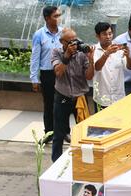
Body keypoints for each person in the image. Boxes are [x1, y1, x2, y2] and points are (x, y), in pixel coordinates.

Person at [51, 28, 94, 162]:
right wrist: (67, 56)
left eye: (76, 40)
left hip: (80, 97)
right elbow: (58, 73)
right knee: (59, 133)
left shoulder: (81, 54)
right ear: (62, 42)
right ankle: (56, 163)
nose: (74, 44)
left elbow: (89, 76)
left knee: (84, 132)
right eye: (70, 42)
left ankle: (84, 161)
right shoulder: (56, 52)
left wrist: (91, 60)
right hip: (62, 96)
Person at [30, 6, 63, 144]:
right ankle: (48, 133)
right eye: (55, 16)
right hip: (47, 74)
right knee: (49, 104)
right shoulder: (39, 34)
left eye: (59, 15)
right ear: (47, 18)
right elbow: (35, 57)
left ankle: (62, 133)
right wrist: (34, 79)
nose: (58, 18)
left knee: (63, 104)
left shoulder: (63, 32)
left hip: (62, 73)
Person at [93, 22, 131, 111]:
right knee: (101, 124)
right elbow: (97, 67)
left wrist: (128, 56)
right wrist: (106, 54)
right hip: (102, 99)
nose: (108, 37)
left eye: (110, 33)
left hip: (118, 97)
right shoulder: (94, 50)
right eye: (104, 34)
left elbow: (130, 67)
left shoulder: (119, 48)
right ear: (98, 36)